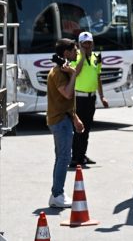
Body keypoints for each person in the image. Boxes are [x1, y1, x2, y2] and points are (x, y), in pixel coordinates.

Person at [46, 38, 85, 208]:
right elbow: (67, 95)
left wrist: (75, 118)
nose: (76, 52)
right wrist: (73, 74)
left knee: (61, 157)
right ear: (66, 53)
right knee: (64, 157)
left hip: (65, 118)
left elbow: (67, 103)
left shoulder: (65, 70)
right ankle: (57, 194)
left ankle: (57, 192)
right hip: (60, 121)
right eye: (74, 49)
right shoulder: (58, 73)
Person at [69, 31, 109, 168]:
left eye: (89, 43)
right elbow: (76, 73)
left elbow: (98, 77)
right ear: (79, 44)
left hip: (91, 98)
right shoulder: (76, 57)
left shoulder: (97, 57)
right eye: (84, 43)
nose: (87, 45)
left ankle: (82, 155)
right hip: (78, 98)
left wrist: (102, 96)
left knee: (86, 128)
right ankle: (75, 157)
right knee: (78, 128)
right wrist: (81, 56)